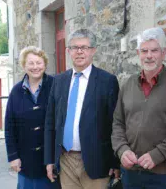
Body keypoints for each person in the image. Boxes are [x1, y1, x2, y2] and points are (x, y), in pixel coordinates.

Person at [111, 27, 166, 189]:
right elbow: (118, 123)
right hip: (131, 173)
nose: (149, 56)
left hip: (164, 174)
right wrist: (122, 150)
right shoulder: (128, 84)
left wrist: (158, 154)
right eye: (144, 51)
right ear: (138, 54)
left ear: (163, 53)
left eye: (154, 50)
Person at [44, 29, 120, 189]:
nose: (79, 52)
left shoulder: (107, 81)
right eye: (74, 47)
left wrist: (115, 162)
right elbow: (50, 122)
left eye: (84, 47)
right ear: (68, 51)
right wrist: (50, 160)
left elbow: (115, 124)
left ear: (93, 50)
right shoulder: (58, 81)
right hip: (66, 161)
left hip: (96, 161)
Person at [5, 46, 60, 189]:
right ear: (24, 66)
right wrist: (13, 156)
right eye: (31, 63)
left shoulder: (56, 86)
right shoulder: (16, 91)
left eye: (39, 63)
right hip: (25, 161)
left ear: (45, 64)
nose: (35, 67)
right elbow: (9, 126)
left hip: (50, 160)